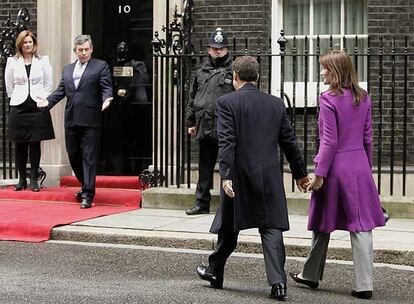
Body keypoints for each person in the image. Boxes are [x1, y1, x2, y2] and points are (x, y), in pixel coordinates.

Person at [196, 56, 309, 301]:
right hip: (268, 175)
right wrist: (300, 174)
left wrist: (225, 174)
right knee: (271, 228)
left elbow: (227, 142)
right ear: (257, 77)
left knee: (229, 226)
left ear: (235, 76)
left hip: (238, 175)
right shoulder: (275, 104)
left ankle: (215, 271)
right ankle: (278, 285)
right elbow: (289, 142)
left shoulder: (226, 103)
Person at [289, 50, 386, 300]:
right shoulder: (363, 97)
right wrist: (366, 170)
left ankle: (313, 275)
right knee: (360, 224)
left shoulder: (328, 99)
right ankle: (359, 283)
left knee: (324, 220)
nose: (322, 72)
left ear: (337, 71)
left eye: (325, 68)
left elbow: (329, 141)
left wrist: (319, 173)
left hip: (334, 167)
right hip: (359, 165)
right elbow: (368, 138)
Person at [38, 34, 113, 209]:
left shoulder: (100, 66)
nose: (84, 53)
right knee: (73, 154)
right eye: (80, 50)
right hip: (71, 118)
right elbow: (61, 91)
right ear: (75, 51)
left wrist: (107, 98)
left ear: (91, 49)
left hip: (91, 118)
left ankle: (88, 193)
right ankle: (84, 182)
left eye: (86, 49)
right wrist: (47, 102)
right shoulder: (68, 69)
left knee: (89, 156)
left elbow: (106, 86)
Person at [184, 27, 234, 215]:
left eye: (220, 48)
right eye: (214, 48)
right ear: (208, 49)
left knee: (227, 166)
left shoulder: (233, 70)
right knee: (204, 167)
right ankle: (201, 203)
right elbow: (192, 97)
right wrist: (190, 122)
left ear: (226, 49)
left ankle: (228, 205)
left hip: (225, 125)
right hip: (204, 123)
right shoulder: (201, 71)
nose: (217, 51)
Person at [5, 30, 55, 192]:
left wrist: (43, 98)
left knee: (35, 142)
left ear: (34, 44)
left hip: (37, 105)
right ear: (20, 44)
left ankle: (33, 179)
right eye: (25, 42)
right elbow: (9, 86)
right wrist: (16, 98)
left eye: (30, 42)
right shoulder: (12, 61)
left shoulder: (42, 61)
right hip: (19, 105)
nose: (27, 45)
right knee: (20, 143)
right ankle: (21, 180)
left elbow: (49, 83)